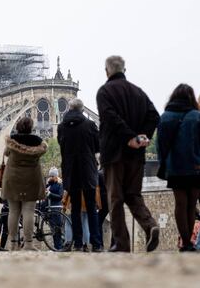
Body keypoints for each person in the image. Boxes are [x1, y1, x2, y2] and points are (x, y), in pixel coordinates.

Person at [96, 55, 160, 252]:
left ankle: (121, 243)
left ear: (107, 71)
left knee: (115, 198)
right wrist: (143, 137)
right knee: (133, 195)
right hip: (136, 156)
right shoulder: (138, 92)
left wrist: (129, 137)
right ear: (124, 69)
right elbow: (154, 116)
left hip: (114, 155)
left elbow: (110, 118)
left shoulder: (104, 92)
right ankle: (150, 226)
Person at [156, 84, 200, 252]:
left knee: (180, 204)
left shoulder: (165, 117)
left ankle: (186, 243)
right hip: (196, 166)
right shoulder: (197, 116)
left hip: (175, 167)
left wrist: (164, 164)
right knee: (191, 204)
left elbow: (160, 145)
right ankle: (190, 242)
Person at [57, 98, 102, 252]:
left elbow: (61, 145)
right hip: (87, 170)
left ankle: (77, 243)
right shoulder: (89, 125)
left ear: (69, 109)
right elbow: (98, 146)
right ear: (82, 110)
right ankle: (96, 244)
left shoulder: (62, 127)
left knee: (75, 208)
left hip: (71, 171)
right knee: (91, 208)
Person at [1, 117, 48, 251]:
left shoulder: (12, 140)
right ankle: (28, 244)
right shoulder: (37, 141)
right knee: (28, 211)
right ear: (31, 127)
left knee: (13, 211)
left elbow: (6, 153)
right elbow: (43, 152)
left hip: (13, 178)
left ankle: (12, 243)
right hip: (31, 179)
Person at [42, 167, 64, 250]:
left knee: (57, 229)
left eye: (52, 176)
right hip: (49, 209)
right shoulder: (49, 184)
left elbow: (60, 197)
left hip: (56, 209)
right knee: (53, 230)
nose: (50, 177)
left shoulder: (60, 184)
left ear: (56, 176)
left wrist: (50, 194)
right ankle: (56, 247)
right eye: (50, 176)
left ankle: (59, 247)